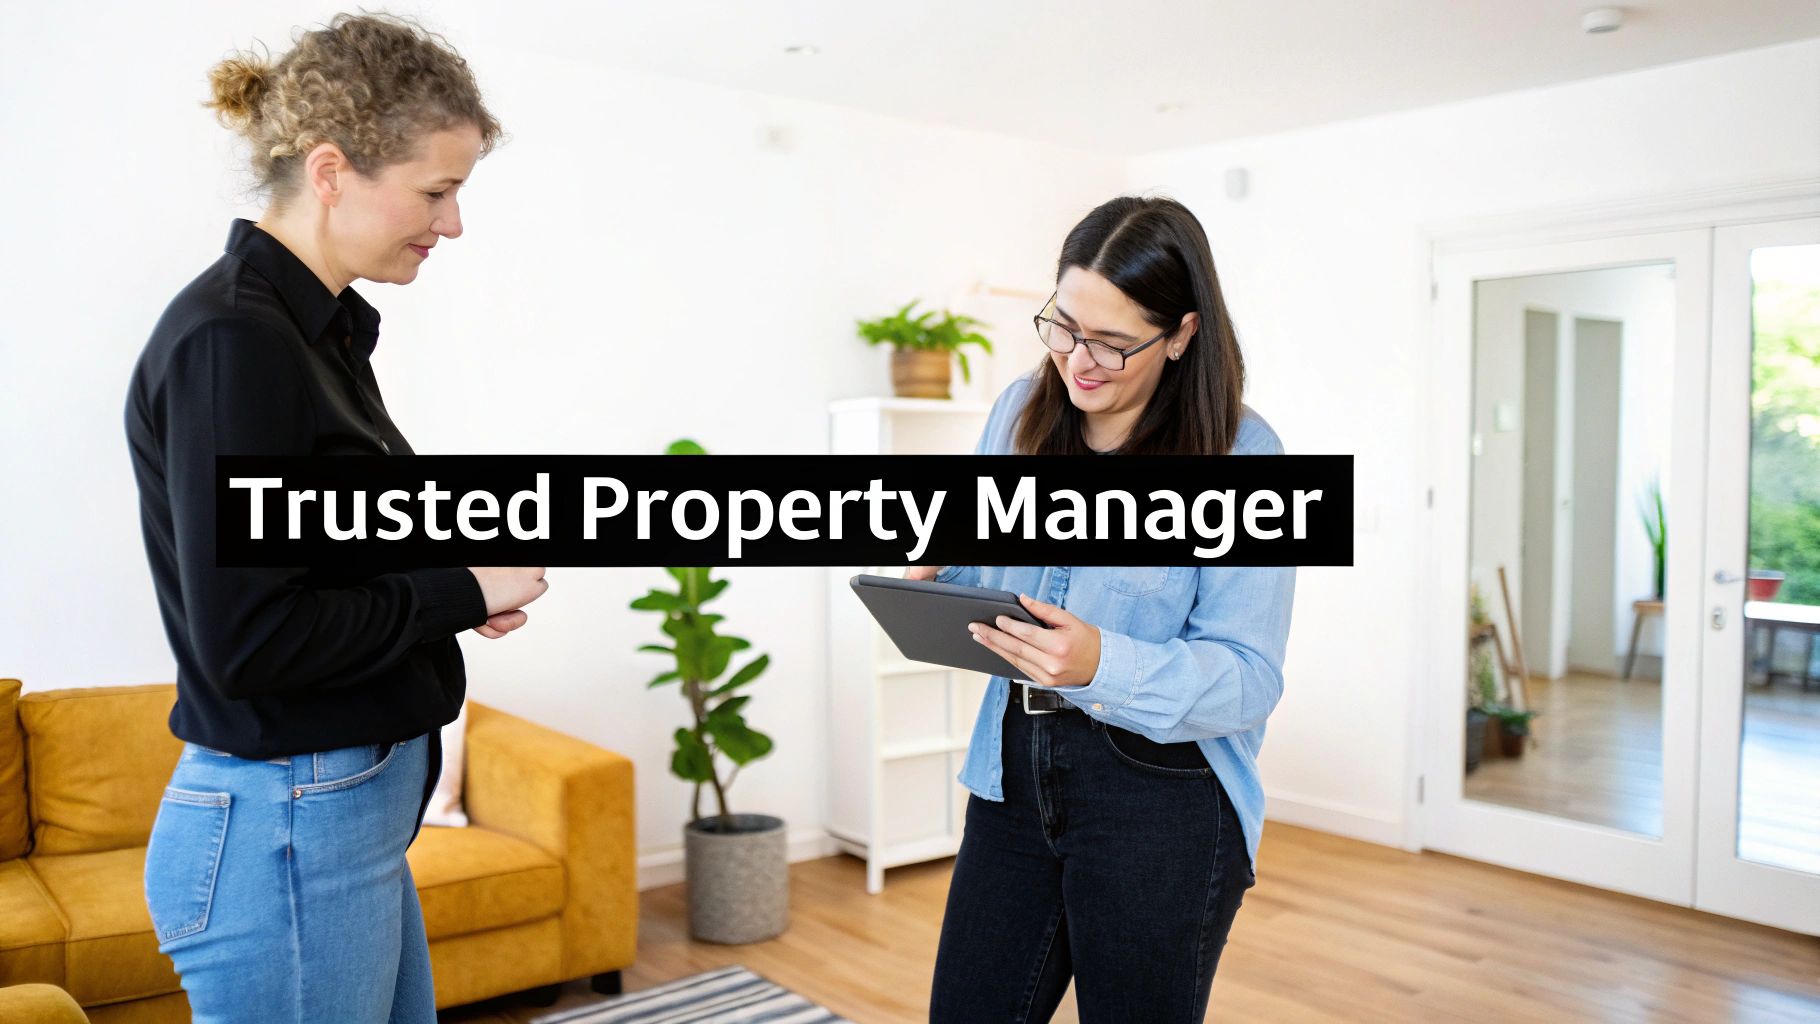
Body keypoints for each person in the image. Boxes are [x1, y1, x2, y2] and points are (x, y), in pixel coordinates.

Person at [124, 14, 545, 1020]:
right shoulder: (237, 343)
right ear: (330, 169)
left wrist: (446, 573)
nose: (450, 226)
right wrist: (453, 590)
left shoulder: (315, 338)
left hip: (334, 820)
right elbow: (252, 639)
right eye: (436, 191)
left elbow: (319, 551)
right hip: (287, 822)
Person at [918, 195, 1295, 1021]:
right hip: (1011, 770)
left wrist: (1103, 665)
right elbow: (990, 574)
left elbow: (1250, 676)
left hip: (1163, 798)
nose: (1078, 361)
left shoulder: (1243, 453)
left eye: (1114, 343)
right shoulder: (1018, 413)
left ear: (1183, 334)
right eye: (1063, 326)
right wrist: (934, 577)